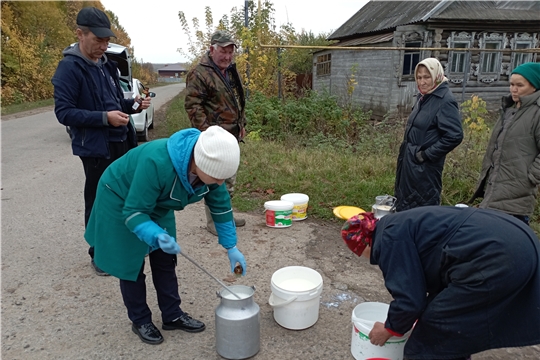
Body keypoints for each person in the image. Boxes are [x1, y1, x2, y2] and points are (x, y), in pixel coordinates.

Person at [84, 126, 248, 345]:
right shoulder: (156, 162)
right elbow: (134, 212)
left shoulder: (213, 171)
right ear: (198, 163)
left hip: (157, 203)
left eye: (224, 178)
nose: (220, 183)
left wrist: (231, 246)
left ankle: (172, 315)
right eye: (217, 178)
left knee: (165, 259)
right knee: (130, 263)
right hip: (121, 198)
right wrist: (153, 233)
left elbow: (220, 206)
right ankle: (140, 319)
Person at [341, 206, 540, 360]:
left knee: (430, 338)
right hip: (518, 239)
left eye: (359, 253)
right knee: (449, 321)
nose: (364, 257)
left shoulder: (388, 241)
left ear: (364, 244)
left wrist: (389, 329)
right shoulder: (398, 223)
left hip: (498, 257)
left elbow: (410, 301)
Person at [51, 6, 151, 275]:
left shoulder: (106, 65)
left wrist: (134, 105)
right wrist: (104, 118)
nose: (104, 46)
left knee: (125, 195)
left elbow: (117, 102)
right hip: (95, 148)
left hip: (122, 141)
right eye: (99, 40)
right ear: (80, 34)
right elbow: (64, 113)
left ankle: (121, 243)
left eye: (107, 40)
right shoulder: (69, 68)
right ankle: (98, 254)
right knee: (98, 200)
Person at [185, 30, 247, 236]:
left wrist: (241, 124)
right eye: (223, 51)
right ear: (212, 49)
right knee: (213, 179)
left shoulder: (228, 70)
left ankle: (225, 216)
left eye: (231, 52)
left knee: (229, 179)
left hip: (231, 135)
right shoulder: (200, 73)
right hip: (214, 138)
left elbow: (236, 101)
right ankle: (213, 221)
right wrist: (206, 136)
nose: (228, 56)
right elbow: (193, 106)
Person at [470, 62, 540, 225]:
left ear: (534, 86)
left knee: (512, 243)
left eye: (519, 85)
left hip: (517, 197)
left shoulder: (537, 113)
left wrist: (531, 176)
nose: (513, 89)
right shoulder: (509, 109)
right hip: (495, 190)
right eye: (511, 84)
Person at [394, 58, 463, 212]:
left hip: (424, 167)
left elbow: (455, 135)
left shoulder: (445, 100)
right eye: (419, 77)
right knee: (406, 205)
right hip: (409, 161)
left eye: (426, 77)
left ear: (436, 76)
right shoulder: (424, 97)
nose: (422, 82)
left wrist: (426, 155)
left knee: (422, 209)